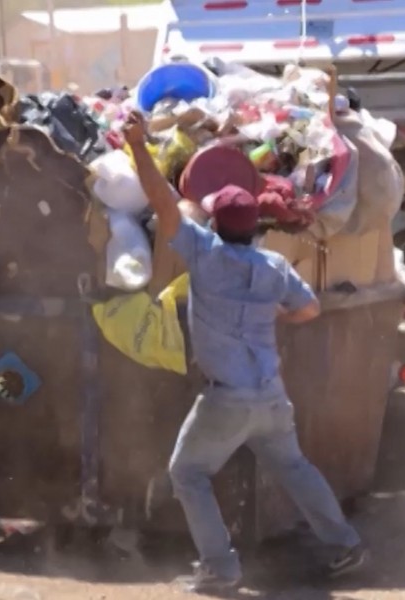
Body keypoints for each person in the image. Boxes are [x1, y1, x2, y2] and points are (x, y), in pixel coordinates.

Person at [122, 111, 366, 592]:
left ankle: (221, 567)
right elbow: (311, 308)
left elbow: (162, 202)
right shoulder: (273, 265)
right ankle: (346, 545)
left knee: (187, 473)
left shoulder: (205, 256)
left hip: (227, 398)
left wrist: (135, 146)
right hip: (271, 394)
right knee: (294, 467)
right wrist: (275, 315)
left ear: (214, 222)